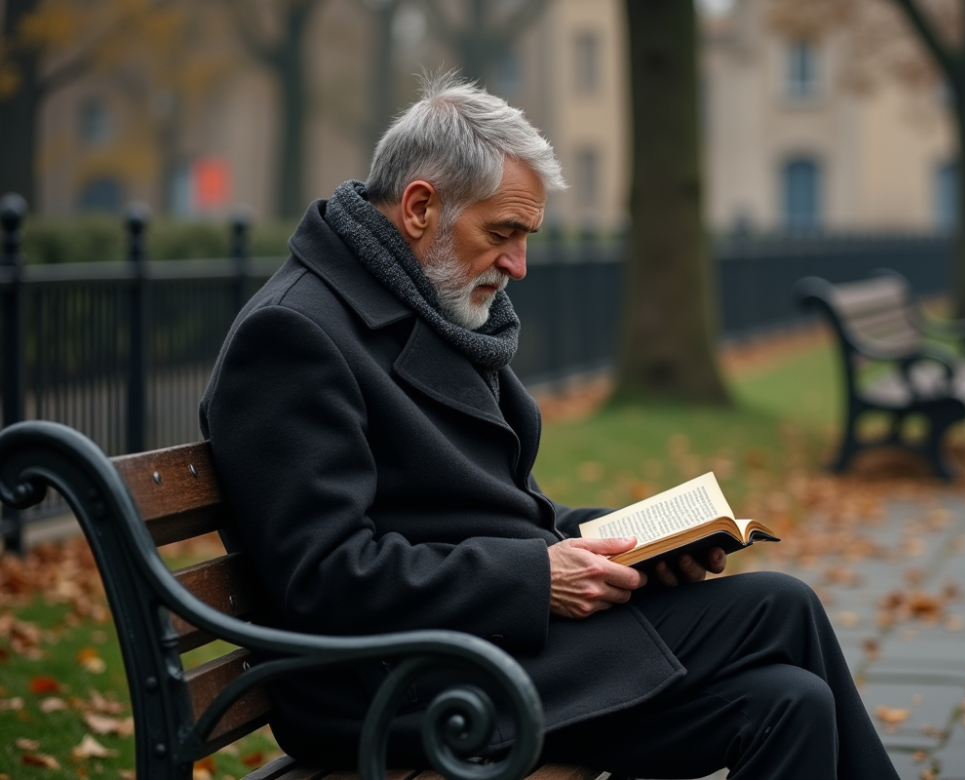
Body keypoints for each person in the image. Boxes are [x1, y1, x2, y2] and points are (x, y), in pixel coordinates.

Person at [200, 73, 899, 780]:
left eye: (526, 237)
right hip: (395, 683)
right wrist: (535, 577)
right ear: (419, 207)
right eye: (503, 233)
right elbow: (323, 579)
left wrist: (633, 543)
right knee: (782, 605)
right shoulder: (294, 334)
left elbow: (492, 511)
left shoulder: (419, 300)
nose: (519, 265)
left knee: (790, 702)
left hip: (475, 642)